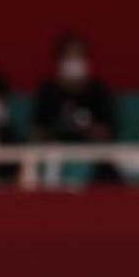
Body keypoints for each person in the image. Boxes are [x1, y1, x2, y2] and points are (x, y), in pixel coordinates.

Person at [31, 33, 120, 184]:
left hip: (92, 155)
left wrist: (87, 129)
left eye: (78, 56)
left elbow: (107, 133)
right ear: (59, 61)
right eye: (69, 56)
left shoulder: (98, 90)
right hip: (54, 155)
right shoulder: (48, 90)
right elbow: (37, 134)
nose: (74, 61)